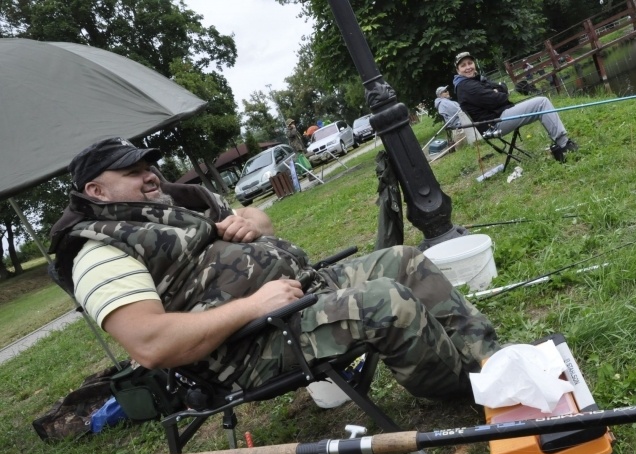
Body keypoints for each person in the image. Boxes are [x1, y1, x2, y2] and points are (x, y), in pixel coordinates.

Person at [49, 137, 500, 400]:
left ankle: (490, 361)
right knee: (385, 302)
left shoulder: (175, 204)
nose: (149, 174)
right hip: (253, 344)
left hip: (304, 292)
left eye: (148, 164)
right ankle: (470, 392)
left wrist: (247, 224)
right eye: (131, 171)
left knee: (405, 260)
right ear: (97, 191)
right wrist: (252, 307)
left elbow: (261, 218)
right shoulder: (98, 252)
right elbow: (151, 344)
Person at [452, 51, 578, 163]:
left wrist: (498, 91)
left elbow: (502, 87)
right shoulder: (466, 87)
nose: (468, 67)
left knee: (540, 102)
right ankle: (564, 144)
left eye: (470, 63)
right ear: (458, 70)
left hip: (500, 115)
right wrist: (497, 93)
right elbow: (497, 99)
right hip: (494, 123)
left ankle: (562, 142)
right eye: (463, 65)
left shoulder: (476, 79)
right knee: (542, 103)